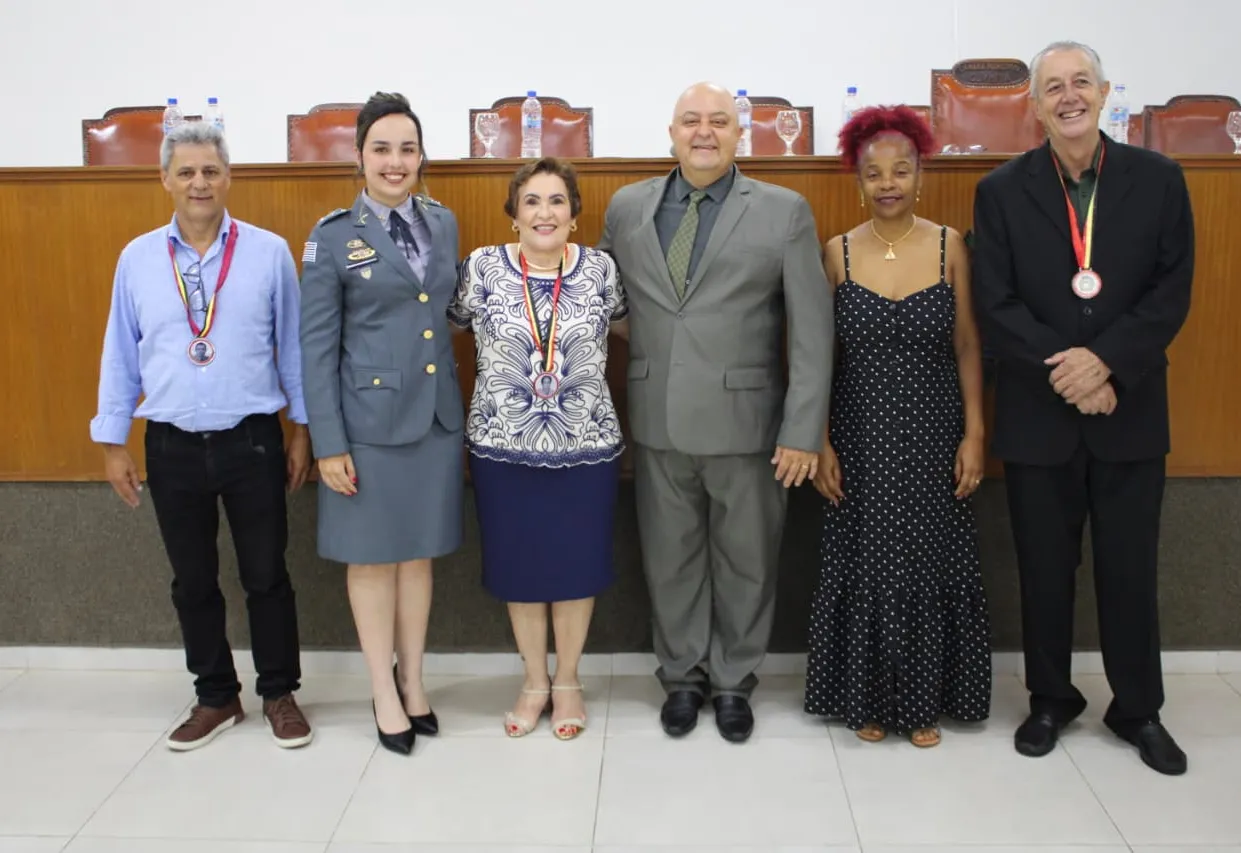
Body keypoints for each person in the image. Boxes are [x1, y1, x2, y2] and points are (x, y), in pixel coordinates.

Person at [972, 41, 1193, 775]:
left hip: (1128, 409)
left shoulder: (1159, 180)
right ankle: (1049, 698)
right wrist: (1067, 369)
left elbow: (1169, 291)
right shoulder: (1000, 191)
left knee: (1129, 569)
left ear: (1104, 95)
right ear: (1033, 105)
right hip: (1040, 411)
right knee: (1042, 568)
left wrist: (1107, 364)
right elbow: (994, 303)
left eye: (1080, 84)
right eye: (1052, 87)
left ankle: (1138, 709)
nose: (1068, 97)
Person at [598, 82, 833, 742]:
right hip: (655, 417)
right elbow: (605, 304)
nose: (704, 132)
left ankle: (733, 680)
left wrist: (802, 429)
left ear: (740, 134)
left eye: (719, 122)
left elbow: (811, 332)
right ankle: (682, 675)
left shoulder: (782, 211)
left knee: (746, 559)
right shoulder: (627, 207)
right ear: (670, 132)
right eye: (690, 121)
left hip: (750, 425)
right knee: (667, 558)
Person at [90, 121, 313, 752]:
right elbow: (119, 356)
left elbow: (292, 349)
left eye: (210, 170)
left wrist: (299, 430)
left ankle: (278, 692)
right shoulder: (136, 259)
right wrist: (113, 442)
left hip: (253, 440)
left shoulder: (268, 253)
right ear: (165, 179)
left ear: (229, 177)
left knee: (267, 574)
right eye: (186, 171)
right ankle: (216, 695)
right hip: (172, 444)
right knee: (192, 579)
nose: (199, 182)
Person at [804, 106, 991, 748]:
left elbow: (968, 346)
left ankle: (924, 701)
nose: (888, 182)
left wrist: (975, 434)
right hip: (858, 434)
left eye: (901, 170)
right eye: (874, 172)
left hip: (935, 433)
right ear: (858, 180)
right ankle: (867, 699)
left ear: (920, 176)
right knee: (867, 562)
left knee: (927, 563)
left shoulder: (949, 246)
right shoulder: (836, 253)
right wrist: (819, 439)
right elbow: (817, 358)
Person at [299, 92, 464, 757]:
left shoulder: (443, 222)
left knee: (417, 553)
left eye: (407, 148)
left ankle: (414, 679)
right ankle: (381, 688)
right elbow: (315, 349)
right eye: (381, 149)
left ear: (421, 156)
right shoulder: (333, 237)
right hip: (366, 423)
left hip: (434, 418)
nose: (396, 163)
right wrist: (327, 441)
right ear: (359, 156)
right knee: (371, 559)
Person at [449, 157, 629, 740]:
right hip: (504, 446)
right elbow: (442, 329)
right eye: (532, 201)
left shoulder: (602, 270)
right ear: (514, 214)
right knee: (520, 567)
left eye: (556, 201)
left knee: (576, 568)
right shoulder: (480, 269)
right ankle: (533, 680)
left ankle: (569, 680)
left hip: (587, 445)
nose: (544, 212)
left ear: (575, 214)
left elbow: (629, 330)